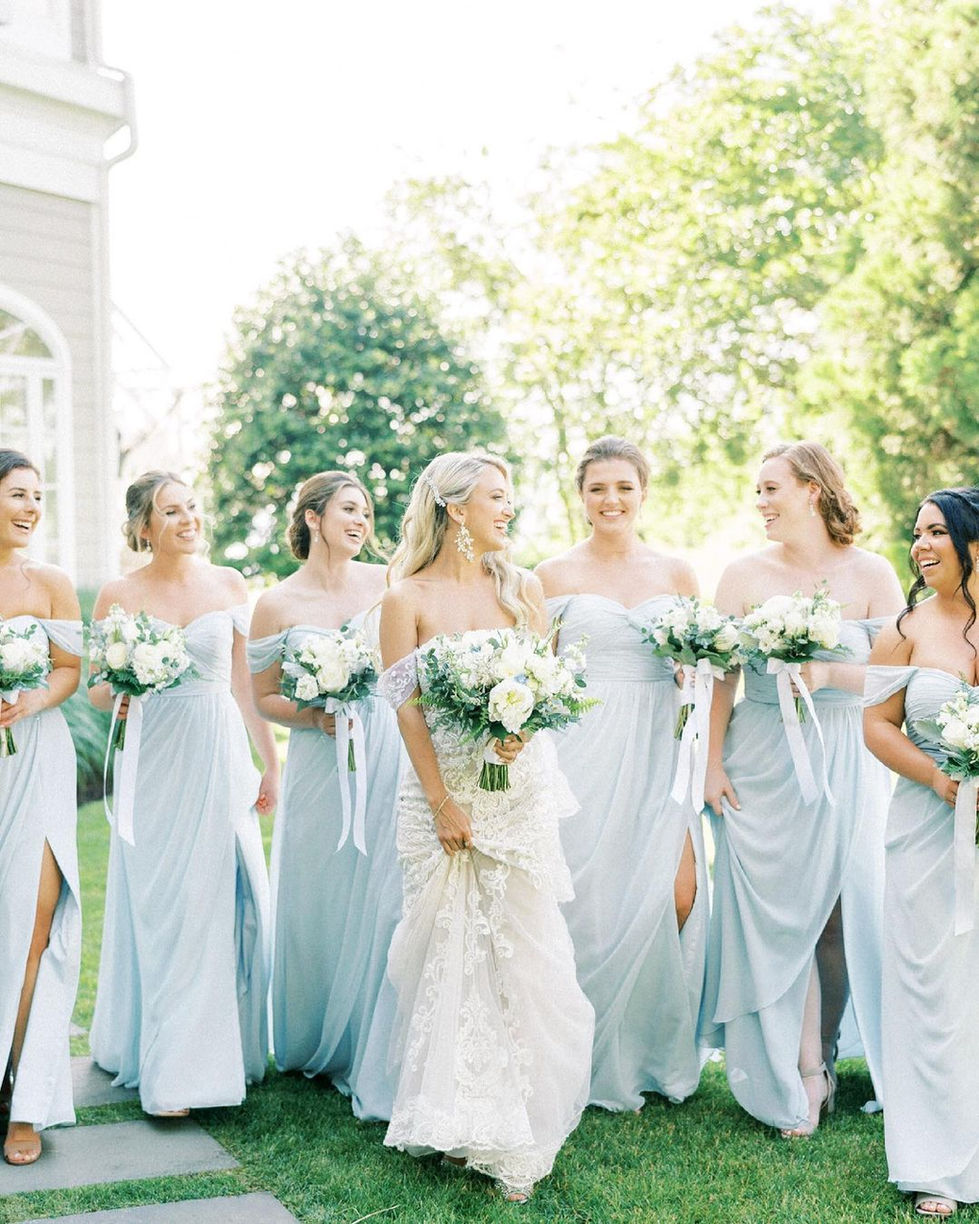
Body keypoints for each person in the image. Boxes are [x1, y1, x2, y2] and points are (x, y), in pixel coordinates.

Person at [379, 452, 593, 1204]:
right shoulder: (403, 597)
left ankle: (521, 1126)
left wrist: (519, 732)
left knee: (523, 952)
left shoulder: (522, 587)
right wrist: (442, 800)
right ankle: (460, 1114)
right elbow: (406, 709)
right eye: (496, 497)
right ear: (453, 507)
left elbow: (542, 685)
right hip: (439, 792)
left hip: (515, 791)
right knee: (447, 949)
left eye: (509, 497)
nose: (509, 509)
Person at [702, 441, 904, 1136]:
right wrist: (710, 762)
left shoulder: (871, 572)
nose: (759, 502)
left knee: (839, 916)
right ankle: (805, 1072)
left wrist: (827, 674)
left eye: (770, 488)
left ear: (812, 489)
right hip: (760, 754)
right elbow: (720, 675)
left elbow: (897, 675)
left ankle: (832, 1047)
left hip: (847, 750)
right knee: (781, 913)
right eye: (756, 490)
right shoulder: (741, 575)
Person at [88, 470, 277, 1116]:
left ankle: (190, 1070)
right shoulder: (119, 592)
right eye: (171, 511)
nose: (188, 519)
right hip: (153, 756)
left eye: (192, 506)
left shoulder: (228, 583)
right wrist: (122, 689)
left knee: (209, 899)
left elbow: (243, 685)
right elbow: (96, 688)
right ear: (144, 526)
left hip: (215, 752)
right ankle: (159, 1046)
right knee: (161, 901)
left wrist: (269, 762)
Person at [536, 435, 708, 1111]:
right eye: (598, 488)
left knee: (674, 893)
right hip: (582, 743)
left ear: (643, 494)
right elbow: (534, 675)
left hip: (660, 744)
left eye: (624, 488)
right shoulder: (550, 576)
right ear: (581, 497)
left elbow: (701, 661)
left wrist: (692, 675)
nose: (611, 500)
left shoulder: (677, 572)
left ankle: (648, 1052)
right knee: (587, 897)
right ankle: (572, 1058)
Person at [248, 471, 403, 1120]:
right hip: (318, 757)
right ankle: (315, 1032)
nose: (361, 520)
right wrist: (314, 715)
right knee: (320, 887)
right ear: (312, 518)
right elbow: (262, 695)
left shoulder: (387, 582)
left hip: (386, 747)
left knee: (383, 884)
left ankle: (371, 1030)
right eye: (348, 509)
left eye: (365, 511)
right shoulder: (276, 603)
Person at [864, 486, 979, 1219]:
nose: (920, 545)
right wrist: (939, 778)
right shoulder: (902, 630)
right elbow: (876, 726)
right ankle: (933, 1160)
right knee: (929, 985)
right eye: (916, 533)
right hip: (924, 826)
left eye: (936, 532)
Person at [0, 450, 82, 1166]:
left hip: (38, 758)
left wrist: (29, 701)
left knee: (33, 927)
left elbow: (69, 671)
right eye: (18, 494)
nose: (31, 508)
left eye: (37, 496)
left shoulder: (50, 582)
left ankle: (24, 1099)